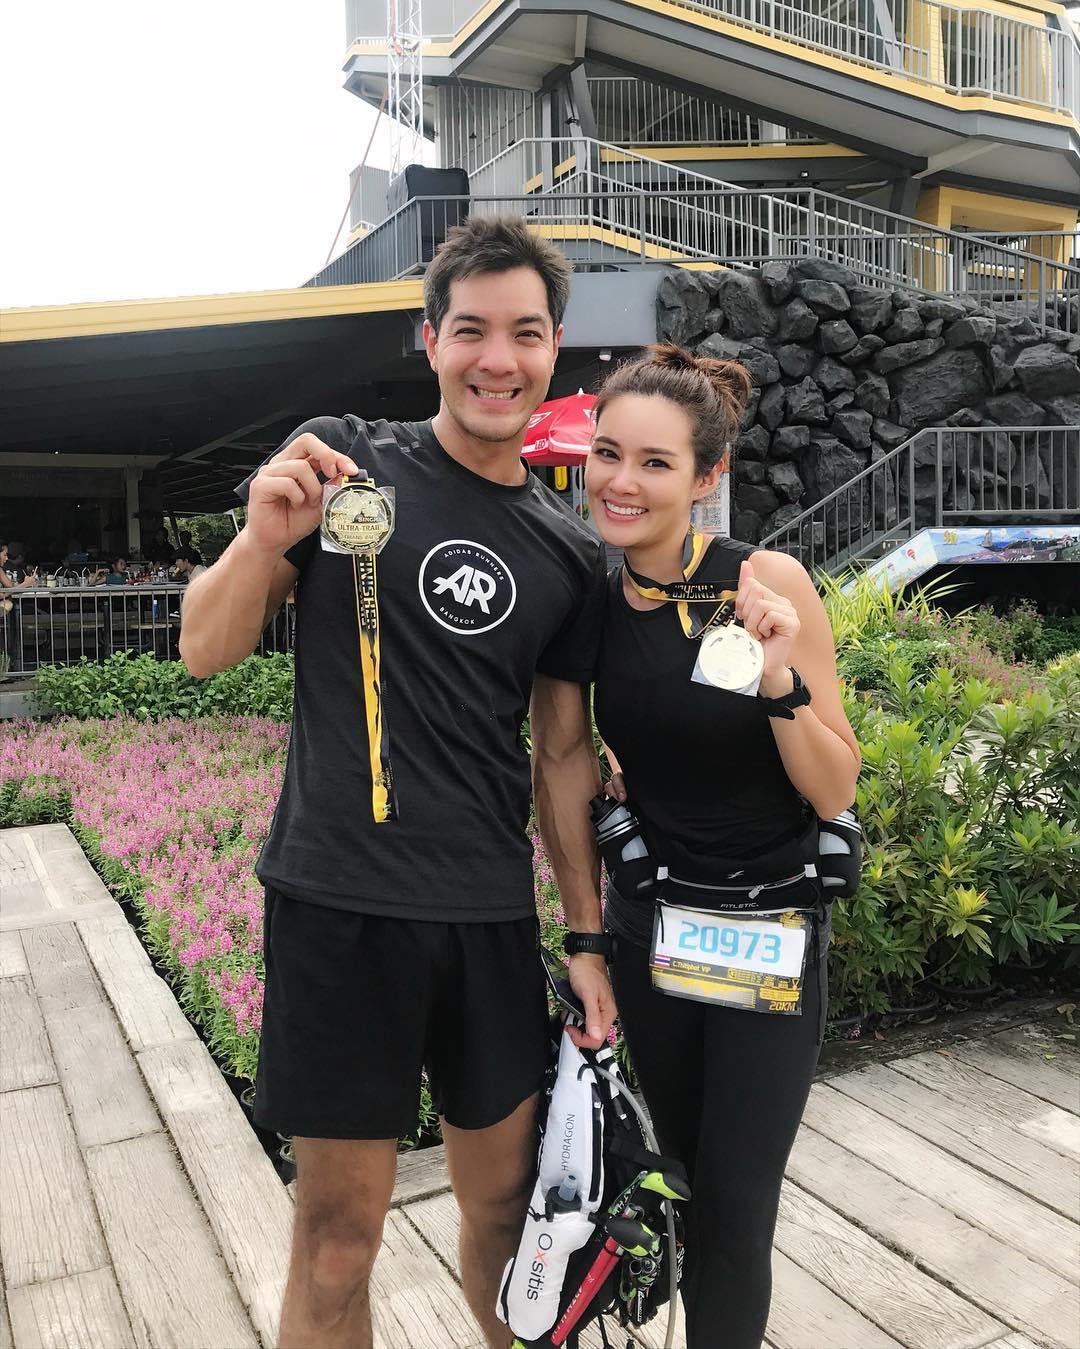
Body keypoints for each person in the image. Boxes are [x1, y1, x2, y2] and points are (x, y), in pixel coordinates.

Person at [179, 215, 616, 1349]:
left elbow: (562, 752)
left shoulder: (570, 553)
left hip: (484, 916)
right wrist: (261, 540)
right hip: (338, 904)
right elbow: (204, 647)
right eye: (470, 329)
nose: (496, 358)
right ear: (430, 340)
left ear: (553, 349)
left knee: (508, 1223)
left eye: (524, 333)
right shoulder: (341, 461)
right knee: (336, 1243)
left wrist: (585, 935)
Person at [584, 344, 860, 1349]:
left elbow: (836, 784)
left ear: (707, 477)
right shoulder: (593, 600)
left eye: (655, 462)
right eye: (608, 453)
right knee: (686, 1185)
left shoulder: (763, 581)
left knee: (738, 1213)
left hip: (768, 927)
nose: (622, 480)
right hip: (653, 928)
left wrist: (779, 678)